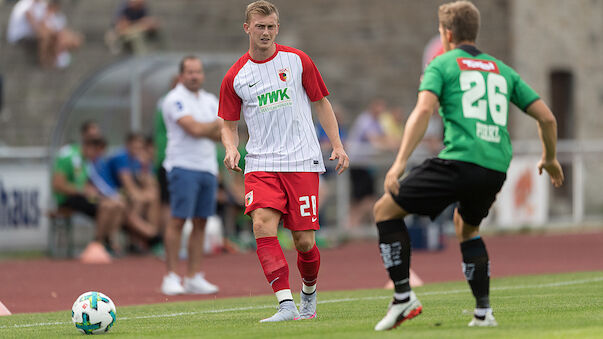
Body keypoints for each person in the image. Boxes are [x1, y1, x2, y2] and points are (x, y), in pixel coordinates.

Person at [372, 0, 564, 331]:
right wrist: (549, 157)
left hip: (460, 160)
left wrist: (399, 163)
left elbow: (422, 112)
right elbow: (546, 116)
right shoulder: (502, 70)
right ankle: (483, 312)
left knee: (384, 211)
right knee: (467, 227)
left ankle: (403, 298)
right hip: (495, 168)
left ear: (447, 33)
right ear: (474, 32)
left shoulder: (442, 64)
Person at [219, 0, 349, 322]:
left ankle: (308, 295)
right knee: (262, 225)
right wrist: (231, 148)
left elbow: (321, 103)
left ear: (278, 28)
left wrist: (337, 144)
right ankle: (285, 305)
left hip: (302, 161)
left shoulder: (297, 60)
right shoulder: (235, 76)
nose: (266, 32)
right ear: (247, 28)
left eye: (271, 26)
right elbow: (228, 123)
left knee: (304, 242)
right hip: (261, 163)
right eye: (260, 26)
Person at [160, 56, 222, 296]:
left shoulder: (209, 100)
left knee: (201, 222)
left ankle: (194, 275)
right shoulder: (174, 99)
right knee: (178, 220)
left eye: (198, 71)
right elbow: (193, 128)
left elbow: (224, 130)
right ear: (181, 75)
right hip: (183, 165)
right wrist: (213, 126)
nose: (195, 76)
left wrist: (212, 128)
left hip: (207, 166)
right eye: (190, 72)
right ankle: (172, 275)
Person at [52, 121, 125, 260]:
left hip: (83, 195)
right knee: (105, 206)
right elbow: (57, 184)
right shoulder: (68, 155)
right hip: (68, 198)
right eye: (96, 151)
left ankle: (108, 241)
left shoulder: (87, 161)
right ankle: (97, 243)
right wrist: (82, 190)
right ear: (88, 146)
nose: (97, 155)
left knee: (117, 204)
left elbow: (86, 184)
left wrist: (92, 192)